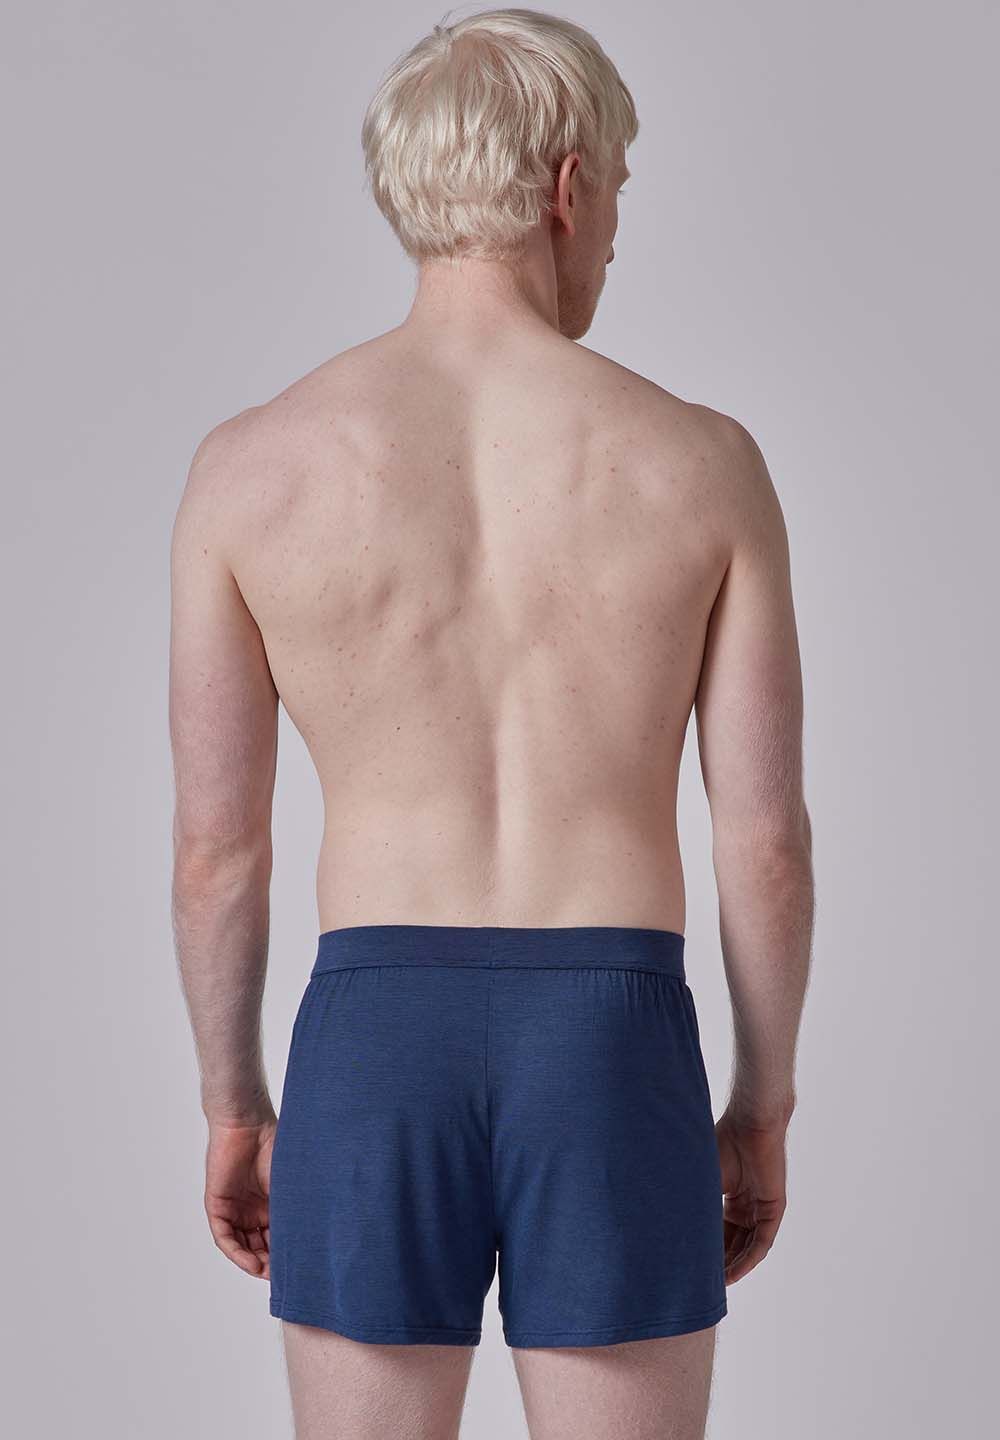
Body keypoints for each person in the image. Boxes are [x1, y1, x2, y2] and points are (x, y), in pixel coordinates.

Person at [168, 9, 814, 1438]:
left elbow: (219, 848)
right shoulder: (704, 464)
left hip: (373, 1037)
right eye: (619, 194)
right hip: (613, 1034)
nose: (614, 236)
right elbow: (764, 841)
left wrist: (235, 1102)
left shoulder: (250, 470)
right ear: (569, 187)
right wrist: (759, 1108)